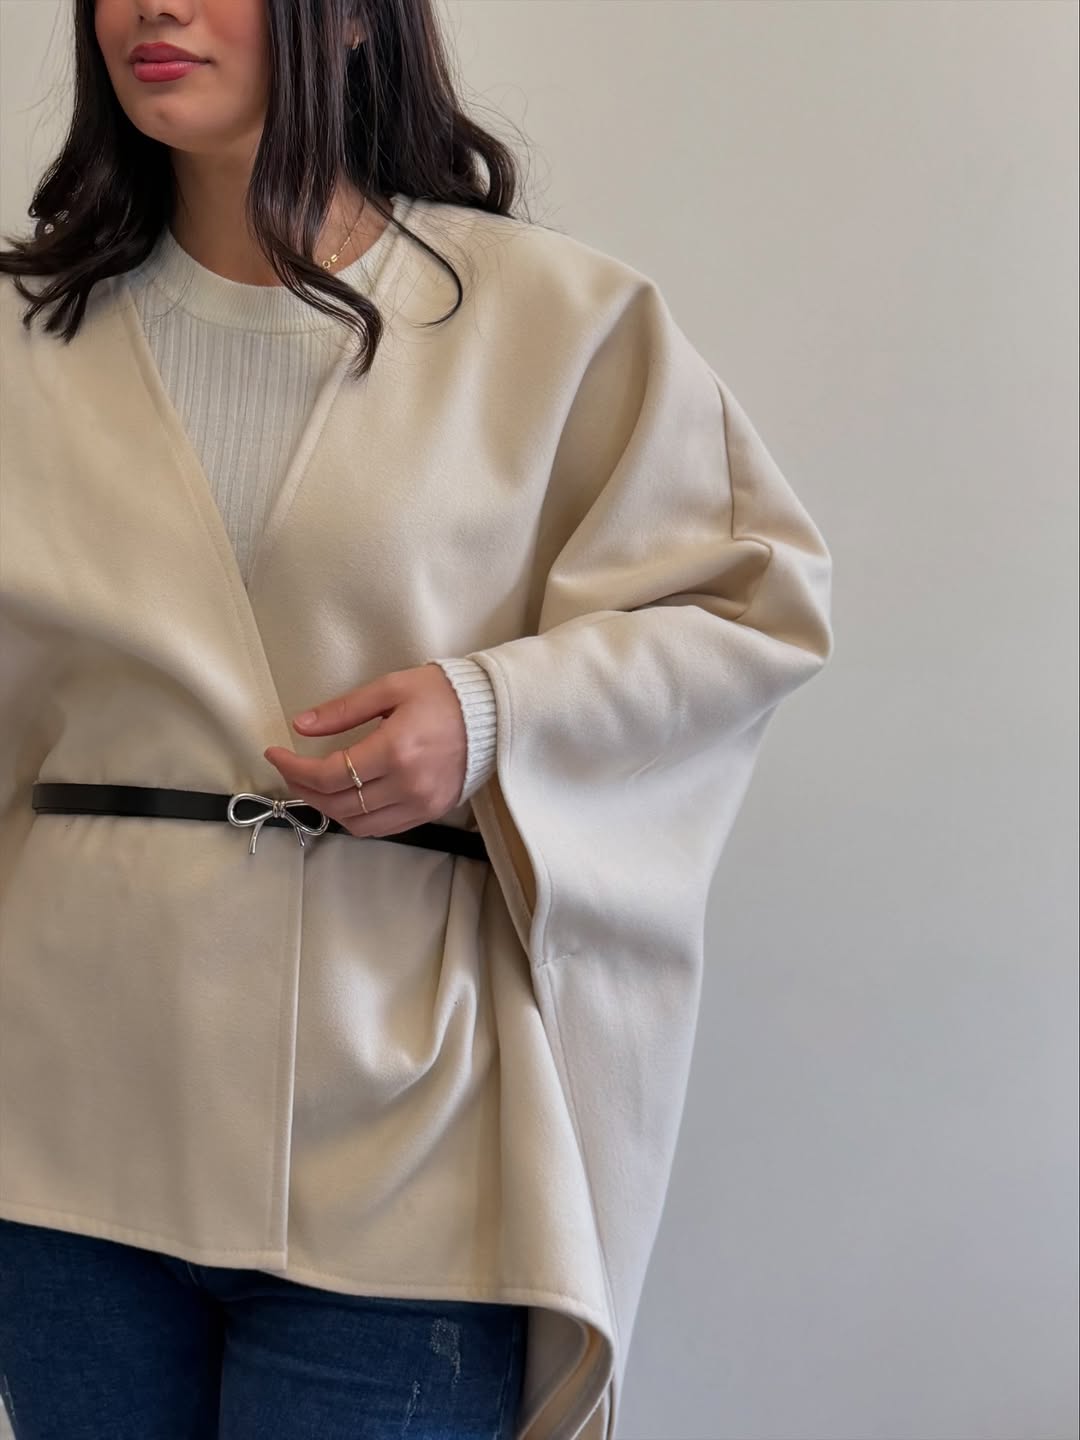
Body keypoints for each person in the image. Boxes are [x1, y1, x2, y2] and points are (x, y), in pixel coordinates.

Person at [0, 1, 835, 1437]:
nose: (153, 6)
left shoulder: (551, 321)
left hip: (406, 1125)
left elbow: (747, 606)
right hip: (63, 1118)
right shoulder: (25, 341)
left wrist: (490, 712)